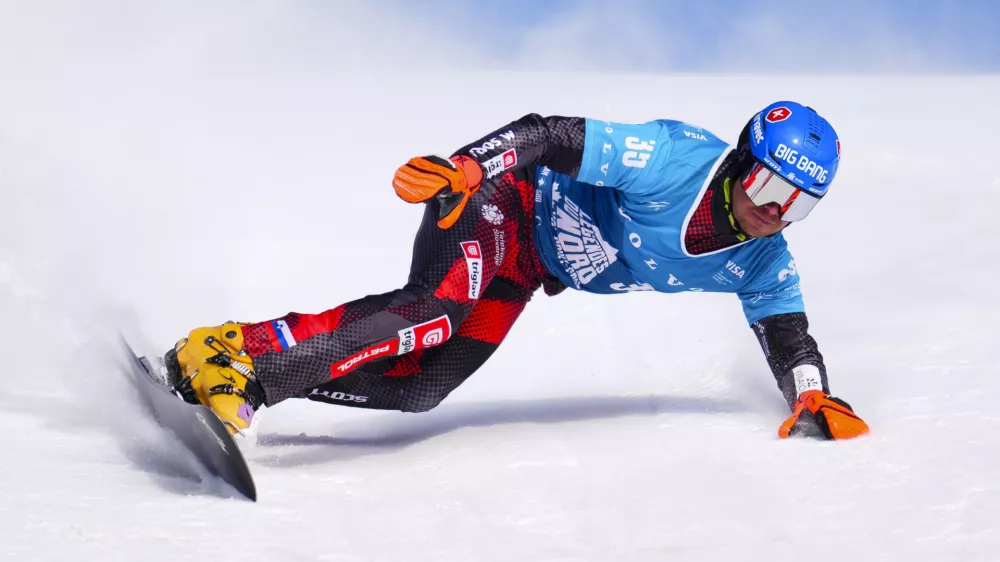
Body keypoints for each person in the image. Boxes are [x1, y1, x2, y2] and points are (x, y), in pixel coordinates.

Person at [166, 101, 869, 441]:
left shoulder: (761, 256)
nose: (776, 212)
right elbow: (553, 134)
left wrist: (810, 396)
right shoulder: (673, 159)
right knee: (433, 313)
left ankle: (248, 370)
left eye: (800, 205)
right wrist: (470, 166)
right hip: (504, 195)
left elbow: (789, 336)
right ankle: (239, 359)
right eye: (771, 190)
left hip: (526, 263)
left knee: (421, 391)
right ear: (741, 164)